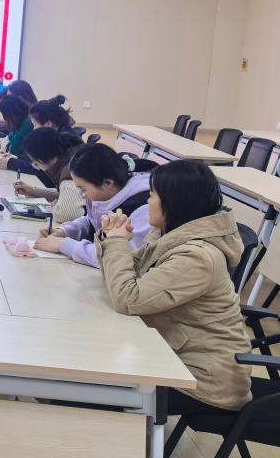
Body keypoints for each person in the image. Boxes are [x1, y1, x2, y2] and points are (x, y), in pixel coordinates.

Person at [97, 161, 252, 413]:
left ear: (174, 202)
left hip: (203, 381)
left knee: (87, 385)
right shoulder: (170, 233)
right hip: (173, 354)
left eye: (152, 195)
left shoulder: (197, 256)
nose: (147, 201)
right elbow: (129, 275)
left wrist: (116, 242)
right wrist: (111, 238)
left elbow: (127, 298)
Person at [32, 142, 157, 268]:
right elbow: (91, 221)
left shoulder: (145, 208)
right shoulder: (106, 194)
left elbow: (120, 258)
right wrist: (64, 231)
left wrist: (64, 245)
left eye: (83, 189)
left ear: (107, 183)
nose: (81, 195)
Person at [15, 127, 85, 225]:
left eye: (36, 164)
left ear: (40, 160)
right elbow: (67, 194)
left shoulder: (68, 173)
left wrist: (56, 205)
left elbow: (67, 215)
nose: (38, 167)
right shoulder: (70, 154)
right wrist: (34, 191)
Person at [9, 94, 82, 175]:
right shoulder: (60, 133)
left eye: (35, 125)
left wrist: (11, 163)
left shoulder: (62, 140)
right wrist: (17, 158)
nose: (33, 129)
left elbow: (44, 171)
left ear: (48, 124)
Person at [0, 94, 33, 170]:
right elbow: (10, 138)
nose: (4, 119)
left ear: (11, 114)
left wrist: (3, 144)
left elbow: (13, 150)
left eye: (4, 115)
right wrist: (0, 142)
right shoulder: (20, 121)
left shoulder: (27, 124)